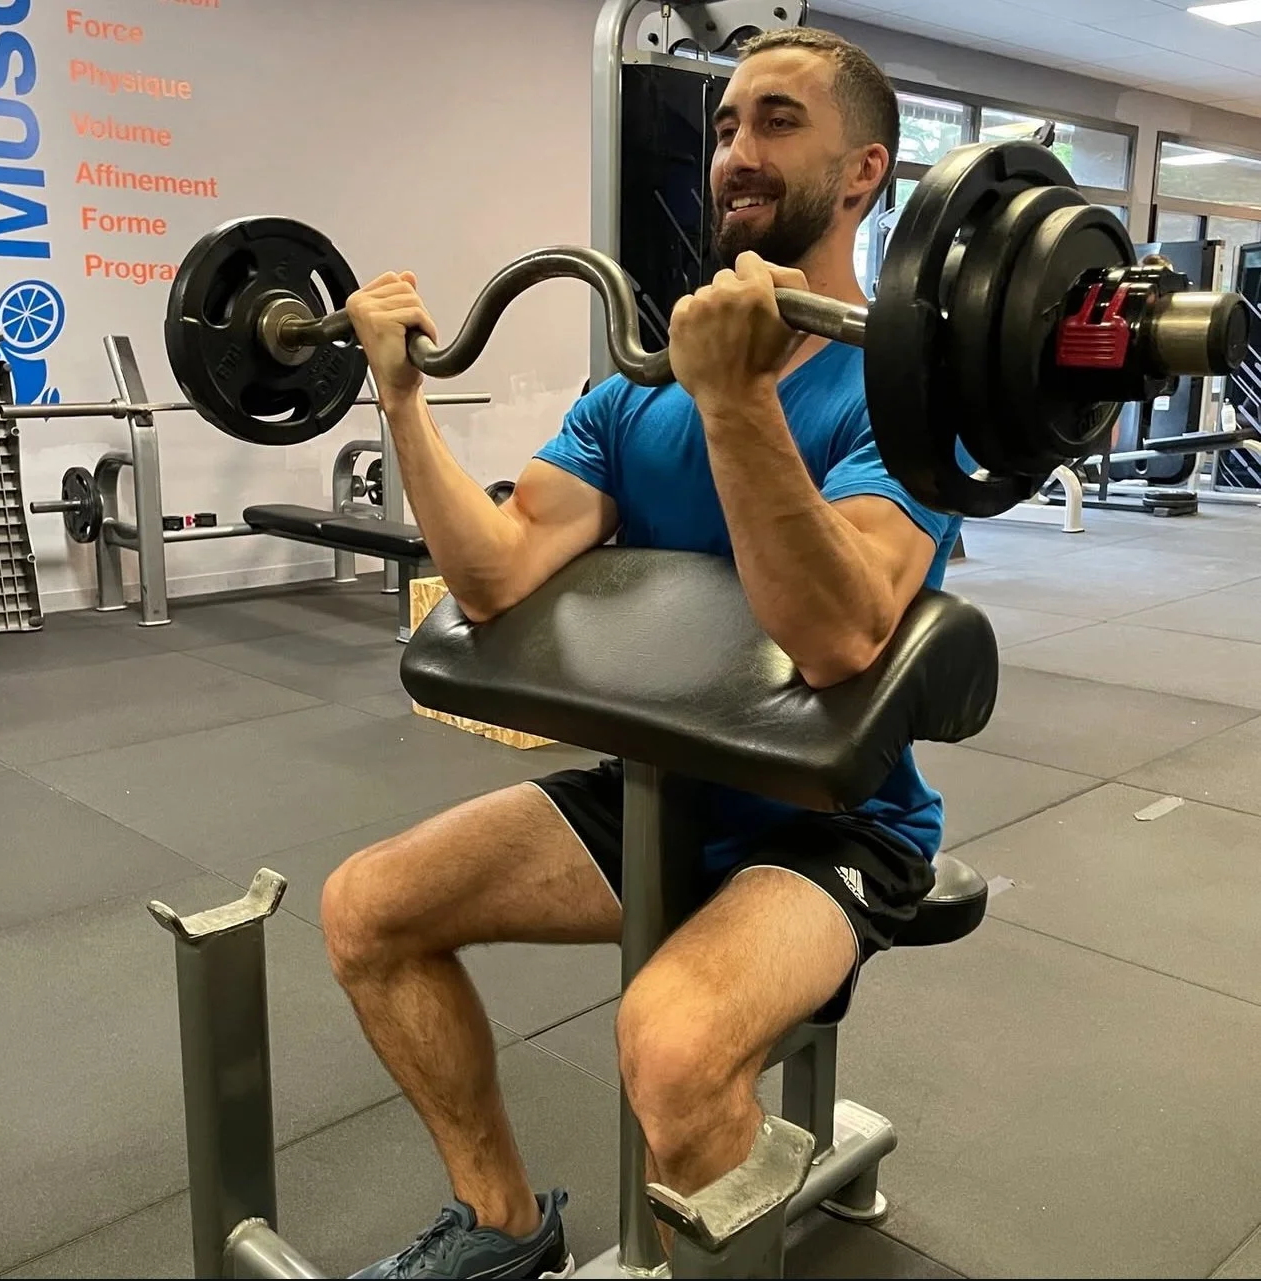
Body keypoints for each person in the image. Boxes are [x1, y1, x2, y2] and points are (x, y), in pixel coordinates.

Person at [324, 27, 963, 1281]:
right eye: (726, 125)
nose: (736, 152)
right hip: (658, 794)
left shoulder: (904, 393)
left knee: (669, 1048)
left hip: (834, 825)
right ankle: (505, 1223)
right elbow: (498, 571)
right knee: (368, 911)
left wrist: (739, 400)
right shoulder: (632, 392)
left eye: (778, 122)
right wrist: (400, 400)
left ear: (863, 172)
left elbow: (838, 637)